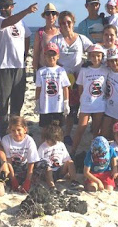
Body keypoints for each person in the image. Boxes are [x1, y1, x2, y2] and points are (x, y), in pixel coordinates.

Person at [0, 0, 37, 134]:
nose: (3, 9)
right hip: (4, 67)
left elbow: (27, 35)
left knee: (18, 101)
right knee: (3, 103)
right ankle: (2, 132)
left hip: (19, 67)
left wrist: (25, 53)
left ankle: (15, 130)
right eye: (1, 6)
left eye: (6, 6)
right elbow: (9, 21)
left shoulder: (21, 22)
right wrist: (27, 11)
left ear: (12, 7)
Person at [50, 11, 93, 144]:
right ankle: (56, 133)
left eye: (69, 22)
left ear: (73, 23)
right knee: (59, 106)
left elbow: (94, 50)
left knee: (73, 107)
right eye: (63, 23)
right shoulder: (55, 40)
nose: (66, 25)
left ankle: (67, 134)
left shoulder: (81, 39)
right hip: (59, 78)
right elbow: (49, 57)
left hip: (76, 78)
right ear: (59, 25)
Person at [71, 44, 107, 155]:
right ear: (89, 56)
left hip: (99, 104)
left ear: (102, 56)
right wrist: (83, 99)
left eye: (98, 56)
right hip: (86, 104)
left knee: (96, 130)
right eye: (93, 56)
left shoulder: (105, 70)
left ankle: (94, 153)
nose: (96, 58)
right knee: (81, 129)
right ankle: (72, 151)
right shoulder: (84, 70)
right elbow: (80, 87)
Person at [0, 115, 40, 193]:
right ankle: (8, 182)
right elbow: (8, 160)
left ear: (25, 129)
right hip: (11, 167)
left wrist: (28, 180)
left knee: (42, 165)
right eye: (13, 130)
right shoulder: (6, 140)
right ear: (9, 130)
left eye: (19, 130)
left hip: (24, 166)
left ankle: (28, 181)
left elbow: (31, 162)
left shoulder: (29, 141)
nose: (16, 133)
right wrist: (13, 178)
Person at [35, 42, 70, 127]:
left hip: (58, 107)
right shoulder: (40, 71)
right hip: (45, 106)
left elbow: (65, 88)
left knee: (58, 129)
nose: (51, 57)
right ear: (44, 56)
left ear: (58, 56)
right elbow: (38, 88)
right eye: (49, 55)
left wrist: (66, 103)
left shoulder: (61, 70)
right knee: (45, 128)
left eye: (54, 55)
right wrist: (37, 102)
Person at [37, 121, 77, 189]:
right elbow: (38, 162)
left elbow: (66, 158)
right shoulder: (42, 147)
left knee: (70, 162)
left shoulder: (61, 145)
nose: (51, 142)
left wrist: (68, 170)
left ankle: (74, 181)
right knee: (48, 169)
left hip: (59, 169)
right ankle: (52, 187)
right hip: (47, 172)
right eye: (49, 140)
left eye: (54, 140)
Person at [32, 3, 60, 72]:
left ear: (56, 16)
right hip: (43, 70)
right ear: (44, 16)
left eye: (53, 13)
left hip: (58, 70)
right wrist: (35, 69)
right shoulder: (40, 33)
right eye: (48, 13)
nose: (51, 16)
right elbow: (36, 53)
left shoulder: (61, 32)